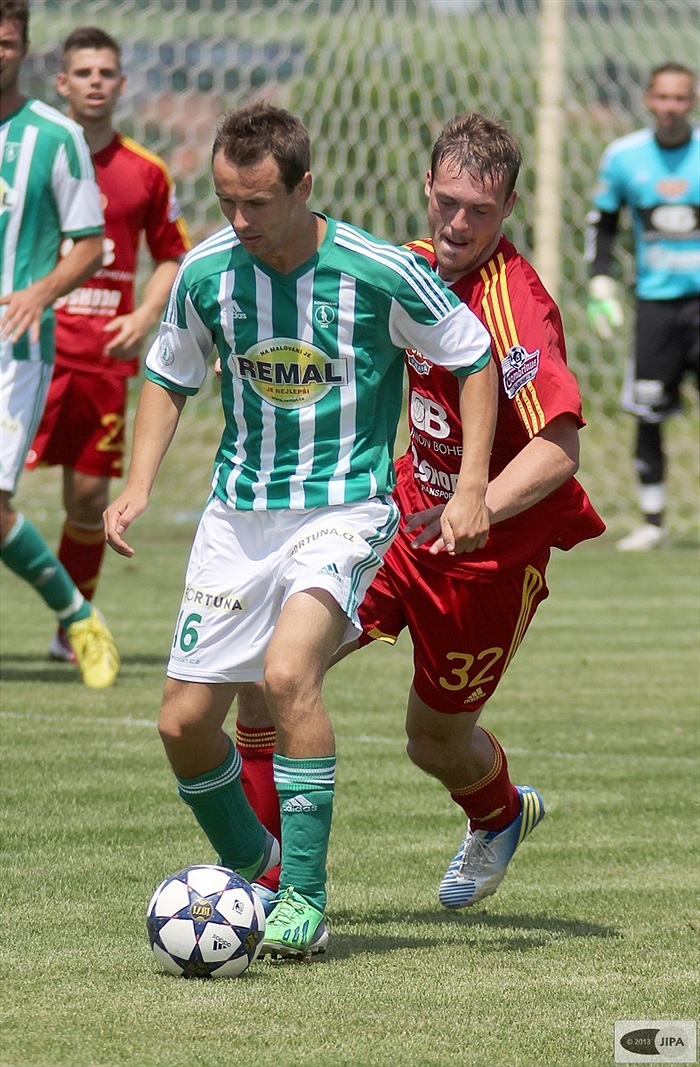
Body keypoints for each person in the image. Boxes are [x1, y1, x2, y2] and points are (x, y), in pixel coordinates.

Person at [103, 102, 498, 960]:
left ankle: (305, 900)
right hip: (238, 515)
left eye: (257, 204)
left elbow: (475, 356)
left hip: (344, 509)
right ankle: (260, 865)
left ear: (303, 188)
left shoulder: (381, 271)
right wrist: (136, 485)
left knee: (288, 674)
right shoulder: (208, 271)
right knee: (182, 726)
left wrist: (473, 487)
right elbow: (169, 375)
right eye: (226, 202)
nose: (238, 221)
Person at [235, 111, 606, 916]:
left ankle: (499, 813)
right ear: (427, 191)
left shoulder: (518, 307)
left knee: (430, 740)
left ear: (507, 209)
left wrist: (480, 501)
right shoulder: (403, 268)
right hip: (395, 518)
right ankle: (265, 884)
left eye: (478, 209)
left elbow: (560, 449)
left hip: (487, 558)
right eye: (445, 202)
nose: (457, 223)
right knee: (269, 676)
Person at [26, 26, 191, 665]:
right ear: (62, 83)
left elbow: (171, 254)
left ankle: (73, 627)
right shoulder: (35, 155)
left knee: (89, 498)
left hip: (101, 357)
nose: (96, 82)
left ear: (121, 84)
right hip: (29, 347)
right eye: (83, 72)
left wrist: (146, 313)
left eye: (106, 72)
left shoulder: (144, 171)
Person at [0, 0, 119, 689]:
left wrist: (40, 292)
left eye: (7, 41)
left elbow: (92, 246)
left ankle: (77, 615)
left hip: (14, 347)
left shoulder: (54, 136)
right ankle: (75, 611)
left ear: (24, 48)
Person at [586, 62, 699, 551]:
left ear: (691, 101)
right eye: (663, 98)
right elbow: (603, 224)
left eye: (681, 98)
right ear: (649, 100)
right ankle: (652, 521)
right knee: (648, 411)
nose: (671, 107)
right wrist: (599, 284)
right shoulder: (623, 156)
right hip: (655, 306)